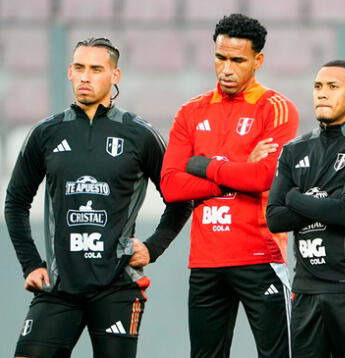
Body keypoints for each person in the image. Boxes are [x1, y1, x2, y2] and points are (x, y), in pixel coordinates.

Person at [4, 37, 192, 358]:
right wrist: (30, 264)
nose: (85, 77)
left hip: (117, 287)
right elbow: (16, 201)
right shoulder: (46, 133)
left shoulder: (139, 134)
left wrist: (153, 247)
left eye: (95, 69)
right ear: (69, 72)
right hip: (59, 287)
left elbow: (180, 198)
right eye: (79, 68)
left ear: (114, 76)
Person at [160, 14, 299, 358]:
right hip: (206, 261)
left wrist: (204, 165)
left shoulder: (276, 108)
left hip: (260, 254)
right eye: (220, 58)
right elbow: (171, 186)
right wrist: (235, 171)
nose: (226, 68)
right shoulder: (190, 111)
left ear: (258, 60)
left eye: (237, 60)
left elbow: (264, 177)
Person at [267, 60, 345, 358]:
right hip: (306, 292)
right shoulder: (294, 149)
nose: (322, 94)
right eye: (318, 87)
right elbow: (274, 218)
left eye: (333, 87)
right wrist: (326, 201)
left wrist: (295, 197)